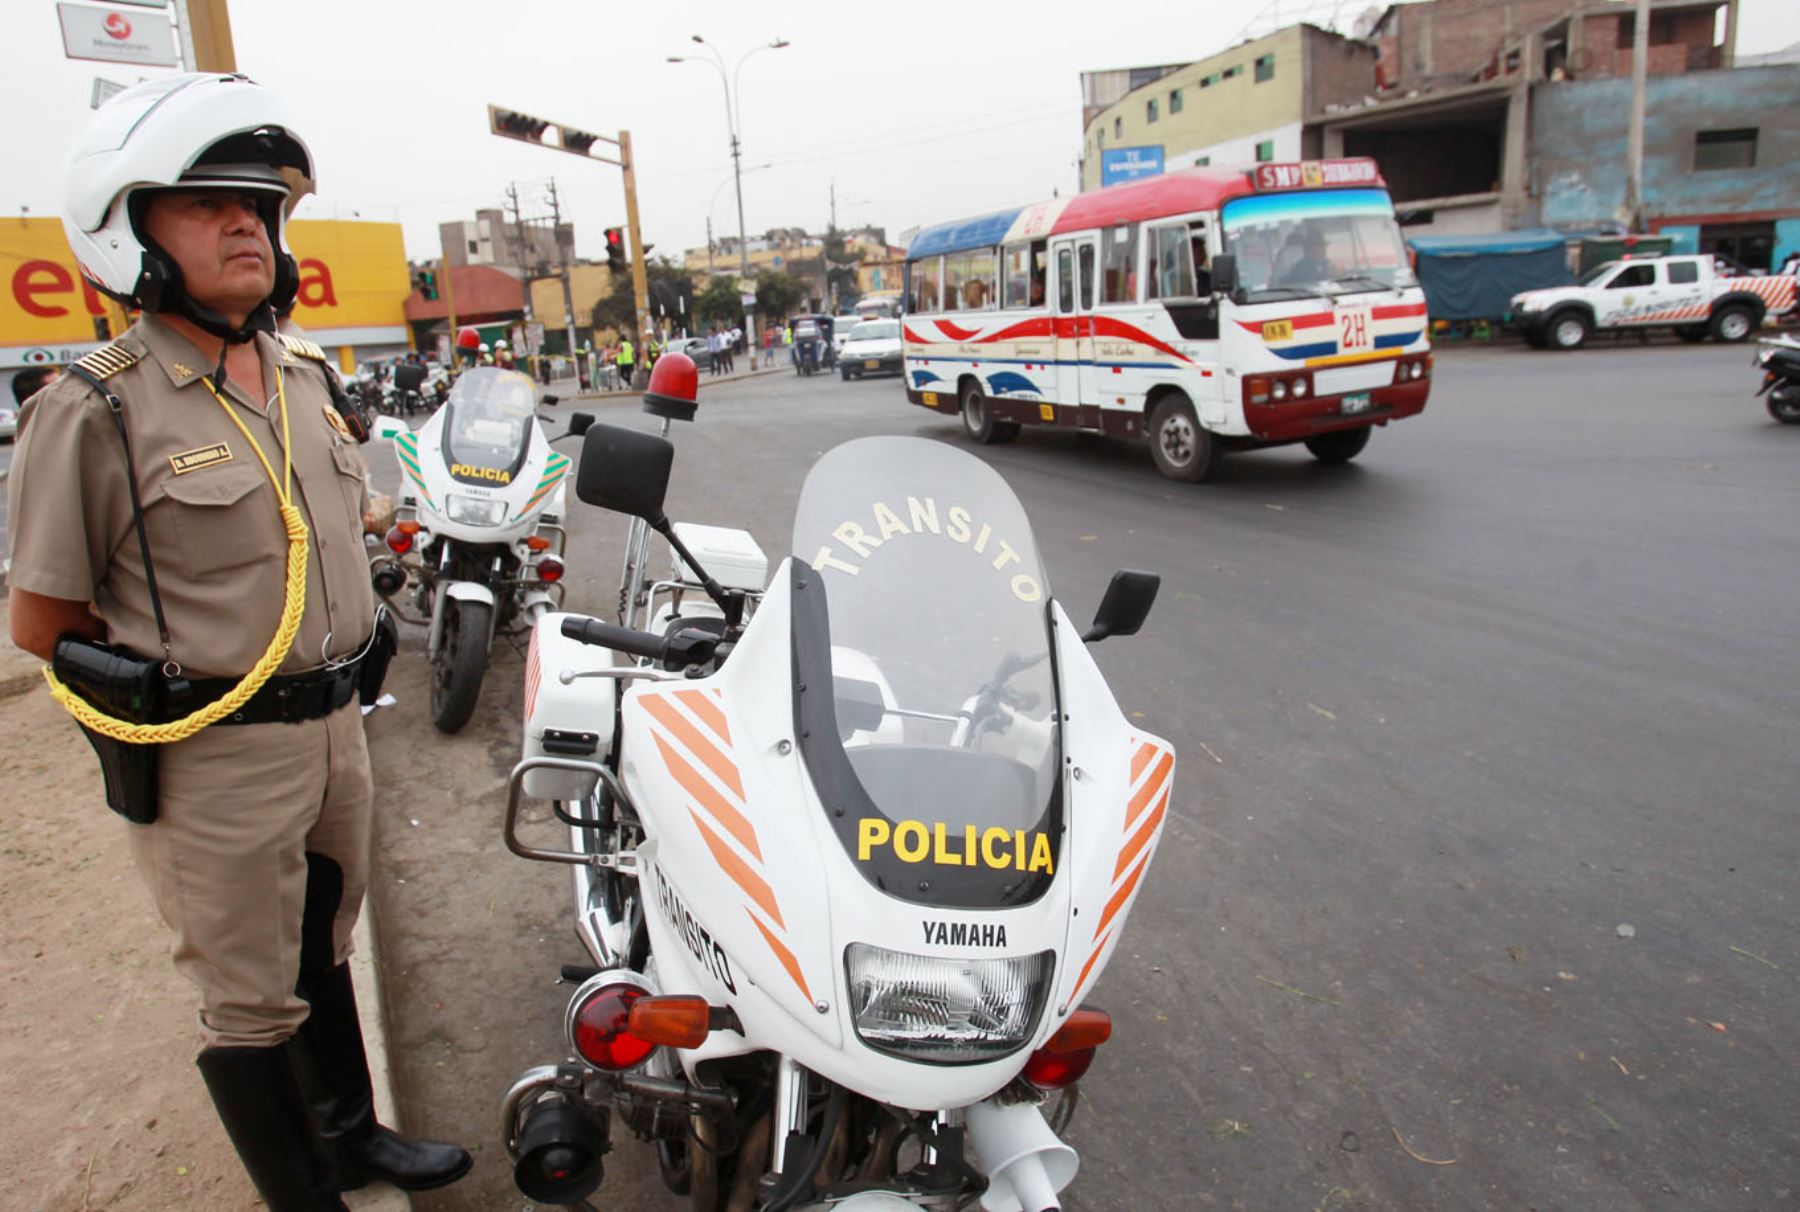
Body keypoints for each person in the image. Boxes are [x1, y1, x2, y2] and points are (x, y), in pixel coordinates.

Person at [5, 73, 469, 1212]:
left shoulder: (305, 375)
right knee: (250, 995)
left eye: (260, 207)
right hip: (213, 757)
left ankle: (354, 1138)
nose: (246, 225)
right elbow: (42, 620)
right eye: (208, 204)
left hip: (337, 734)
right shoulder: (97, 408)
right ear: (127, 232)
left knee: (325, 942)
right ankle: (302, 1194)